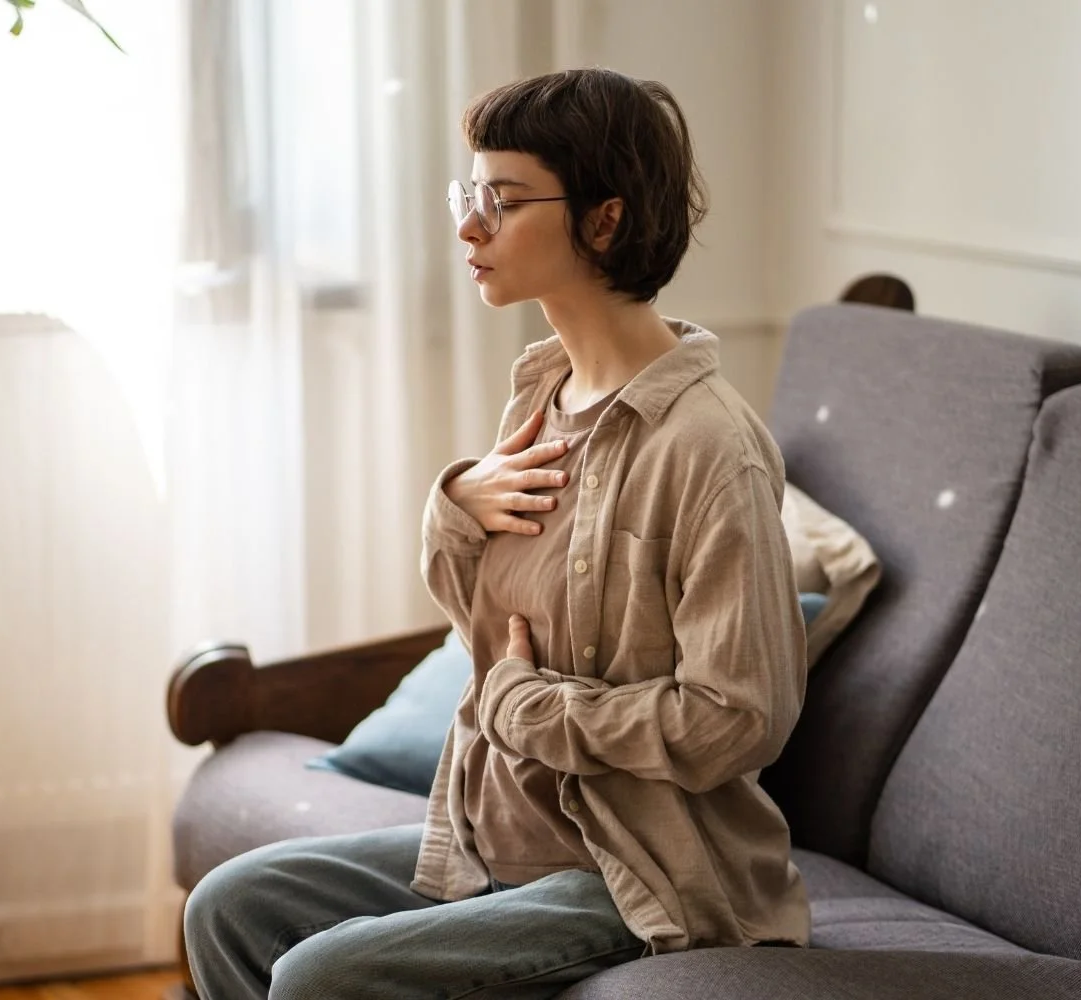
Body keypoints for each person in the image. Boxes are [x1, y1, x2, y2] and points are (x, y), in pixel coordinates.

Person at [182, 66, 810, 1000]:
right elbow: (485, 626)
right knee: (231, 905)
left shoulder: (711, 450)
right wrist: (454, 510)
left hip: (639, 875)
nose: (469, 227)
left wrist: (530, 709)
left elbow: (738, 720)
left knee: (320, 976)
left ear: (605, 219)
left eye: (502, 202)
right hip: (500, 830)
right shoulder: (544, 394)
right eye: (467, 195)